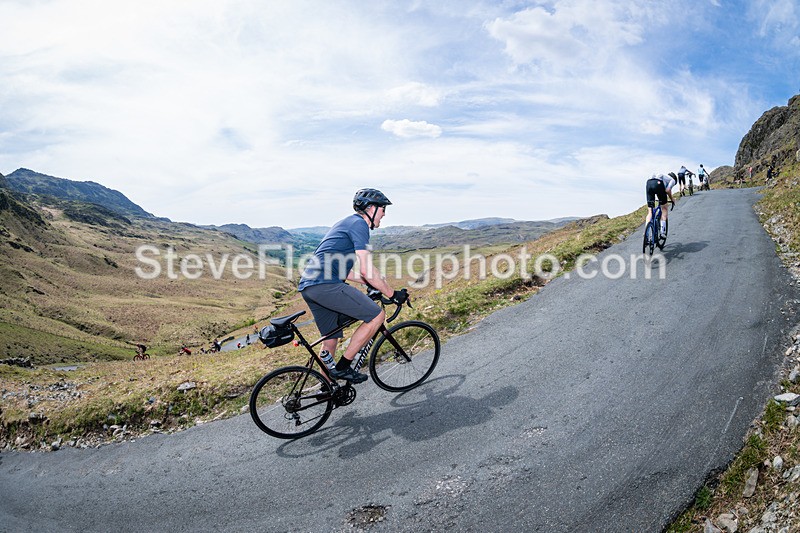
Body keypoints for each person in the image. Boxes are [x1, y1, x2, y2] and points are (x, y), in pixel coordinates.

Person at [297, 188, 408, 383]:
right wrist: (392, 294)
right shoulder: (359, 225)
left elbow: (343, 270)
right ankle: (343, 367)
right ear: (371, 208)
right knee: (376, 315)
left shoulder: (345, 222)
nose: (384, 215)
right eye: (383, 209)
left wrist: (370, 283)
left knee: (330, 340)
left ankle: (328, 388)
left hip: (310, 287)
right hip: (325, 285)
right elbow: (366, 268)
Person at [645, 173, 676, 241]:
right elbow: (668, 190)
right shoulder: (672, 180)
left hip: (649, 183)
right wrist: (672, 199)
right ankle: (662, 233)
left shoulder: (663, 176)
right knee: (664, 209)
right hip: (658, 184)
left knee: (650, 211)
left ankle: (646, 233)